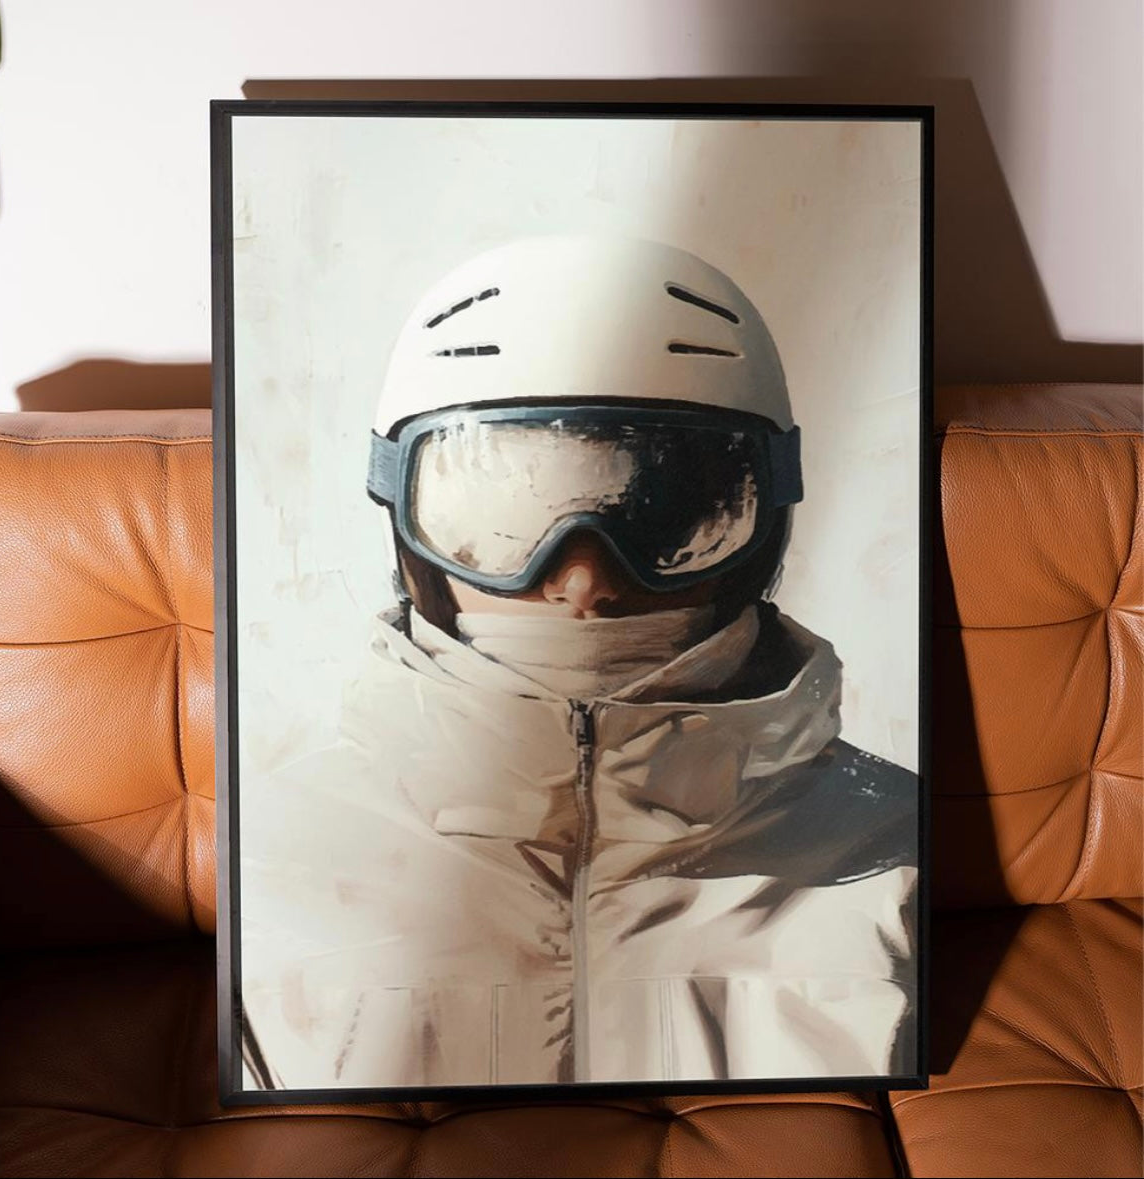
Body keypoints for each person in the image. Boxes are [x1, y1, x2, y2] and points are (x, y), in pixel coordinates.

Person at [240, 236, 918, 1091]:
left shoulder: (898, 858)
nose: (583, 583)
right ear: (407, 529)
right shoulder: (262, 873)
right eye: (499, 518)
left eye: (667, 518)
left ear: (760, 527)